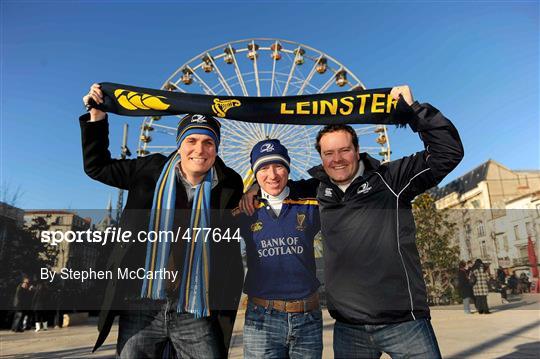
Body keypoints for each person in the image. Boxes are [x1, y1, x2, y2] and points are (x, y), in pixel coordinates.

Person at [241, 85, 463, 357]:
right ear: (320, 158)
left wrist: (415, 110)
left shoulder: (392, 180)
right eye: (328, 154)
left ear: (357, 150)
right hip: (349, 328)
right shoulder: (317, 190)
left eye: (344, 150)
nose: (337, 160)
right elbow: (277, 186)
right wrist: (253, 188)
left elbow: (447, 153)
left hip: (404, 323)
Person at [81, 84, 244, 357]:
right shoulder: (149, 170)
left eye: (208, 142)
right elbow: (96, 166)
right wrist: (97, 117)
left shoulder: (230, 184)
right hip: (141, 302)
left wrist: (255, 193)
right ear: (179, 145)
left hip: (195, 306)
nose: (199, 150)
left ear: (216, 149)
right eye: (191, 141)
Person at [237, 139, 322, 358]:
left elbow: (339, 171)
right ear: (254, 172)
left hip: (308, 318)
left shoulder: (311, 203)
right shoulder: (244, 211)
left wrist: (255, 185)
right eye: (263, 168)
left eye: (279, 166)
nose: (272, 175)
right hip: (262, 318)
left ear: (288, 169)